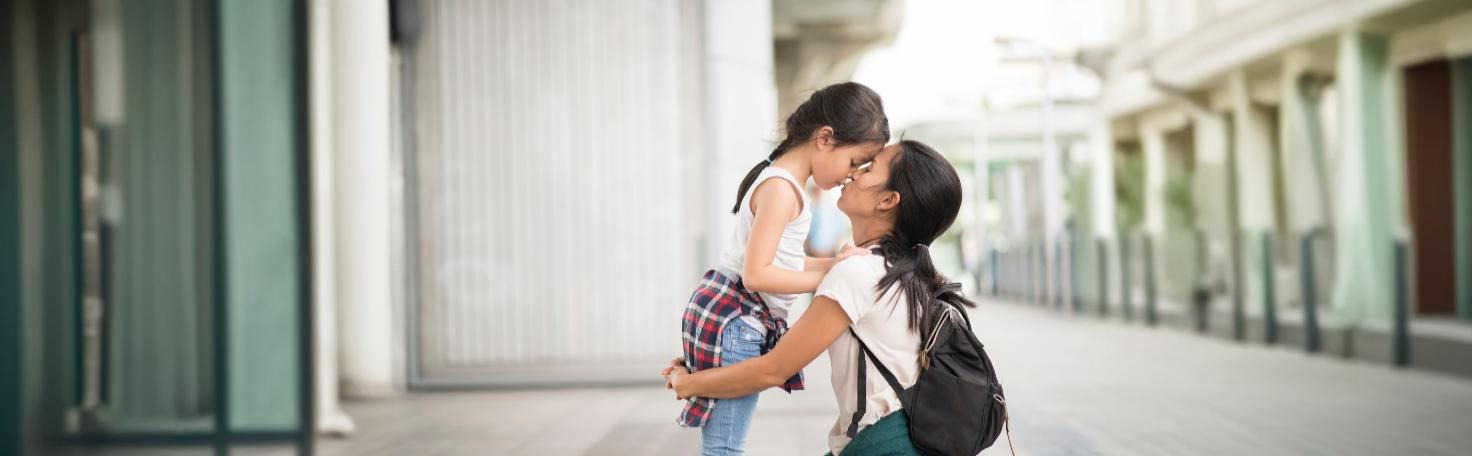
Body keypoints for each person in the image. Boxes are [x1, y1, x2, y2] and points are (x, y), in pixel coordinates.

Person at [667, 140, 971, 455]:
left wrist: (687, 384)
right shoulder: (899, 273)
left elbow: (773, 368)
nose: (854, 174)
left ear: (888, 200)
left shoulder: (858, 274)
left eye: (868, 168)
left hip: (886, 445)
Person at [676, 82, 890, 456]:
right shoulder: (782, 190)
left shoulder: (786, 185)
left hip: (728, 311)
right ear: (825, 138)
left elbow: (782, 262)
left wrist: (835, 264)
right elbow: (757, 275)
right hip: (737, 319)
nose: (851, 176)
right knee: (725, 448)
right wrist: (831, 277)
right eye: (855, 162)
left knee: (723, 445)